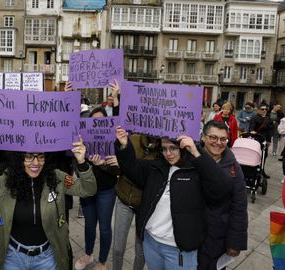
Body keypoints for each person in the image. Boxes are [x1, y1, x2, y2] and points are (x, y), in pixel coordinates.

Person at [0, 138, 97, 270]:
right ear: (19, 158)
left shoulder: (57, 178)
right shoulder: (6, 180)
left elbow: (88, 189)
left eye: (40, 156)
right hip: (13, 257)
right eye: (28, 156)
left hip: (47, 257)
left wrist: (82, 162)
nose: (35, 163)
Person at [114, 127, 231, 270]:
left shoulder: (196, 171)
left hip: (178, 251)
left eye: (173, 148)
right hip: (151, 243)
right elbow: (131, 168)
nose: (168, 154)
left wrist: (196, 151)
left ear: (183, 147)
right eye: (164, 149)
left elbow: (222, 189)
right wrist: (125, 145)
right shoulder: (157, 167)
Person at [198, 120, 248, 270]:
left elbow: (239, 206)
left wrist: (235, 242)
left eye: (223, 139)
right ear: (203, 137)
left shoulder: (234, 167)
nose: (218, 143)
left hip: (217, 236)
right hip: (190, 232)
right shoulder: (191, 159)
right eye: (213, 137)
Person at [75, 107, 118, 270]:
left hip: (106, 190)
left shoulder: (113, 142)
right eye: (94, 121)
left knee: (105, 227)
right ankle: (88, 254)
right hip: (87, 190)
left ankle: (102, 261)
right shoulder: (83, 141)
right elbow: (77, 166)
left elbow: (118, 170)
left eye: (101, 120)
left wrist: (103, 164)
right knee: (89, 225)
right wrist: (84, 162)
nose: (97, 124)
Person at [112, 134, 158, 270]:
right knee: (118, 248)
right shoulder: (132, 139)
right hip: (124, 199)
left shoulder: (166, 148)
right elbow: (116, 169)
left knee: (141, 251)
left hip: (145, 206)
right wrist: (117, 162)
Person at [250, 103, 273, 179]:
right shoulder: (254, 117)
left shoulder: (268, 118)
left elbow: (270, 130)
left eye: (266, 109)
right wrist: (252, 131)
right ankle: (253, 169)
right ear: (258, 110)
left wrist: (269, 140)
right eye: (262, 109)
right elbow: (251, 128)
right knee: (256, 155)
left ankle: (262, 171)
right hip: (256, 140)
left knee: (264, 155)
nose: (264, 110)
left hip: (265, 140)